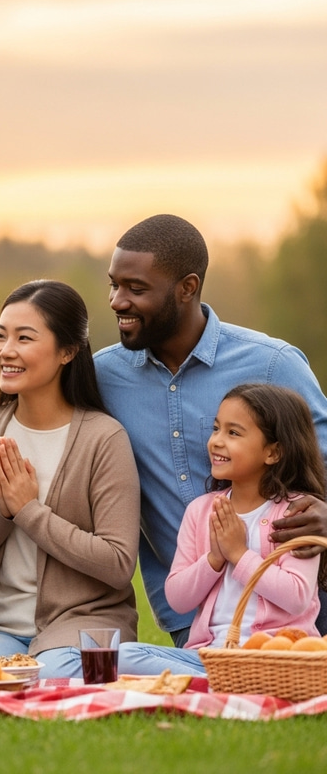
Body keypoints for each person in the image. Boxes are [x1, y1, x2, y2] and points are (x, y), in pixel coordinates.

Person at [94, 214, 327, 646]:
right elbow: (41, 414)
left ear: (187, 287)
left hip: (301, 606)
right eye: (115, 285)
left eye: (136, 289)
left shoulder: (275, 364)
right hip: (197, 614)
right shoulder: (102, 377)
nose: (117, 301)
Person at [0, 280, 140, 678]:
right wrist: (5, 512)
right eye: (1, 336)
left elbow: (119, 563)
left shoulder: (103, 438)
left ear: (67, 352)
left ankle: (201, 664)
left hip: (82, 623)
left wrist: (30, 512)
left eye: (24, 338)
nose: (6, 351)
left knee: (53, 673)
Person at [119, 384, 325, 675]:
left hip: (274, 658)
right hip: (210, 656)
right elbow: (177, 599)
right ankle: (220, 680)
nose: (216, 441)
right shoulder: (202, 511)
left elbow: (297, 596)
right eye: (216, 429)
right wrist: (214, 559)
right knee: (124, 655)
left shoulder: (297, 513)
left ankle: (214, 682)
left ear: (273, 452)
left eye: (233, 433)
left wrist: (240, 554)